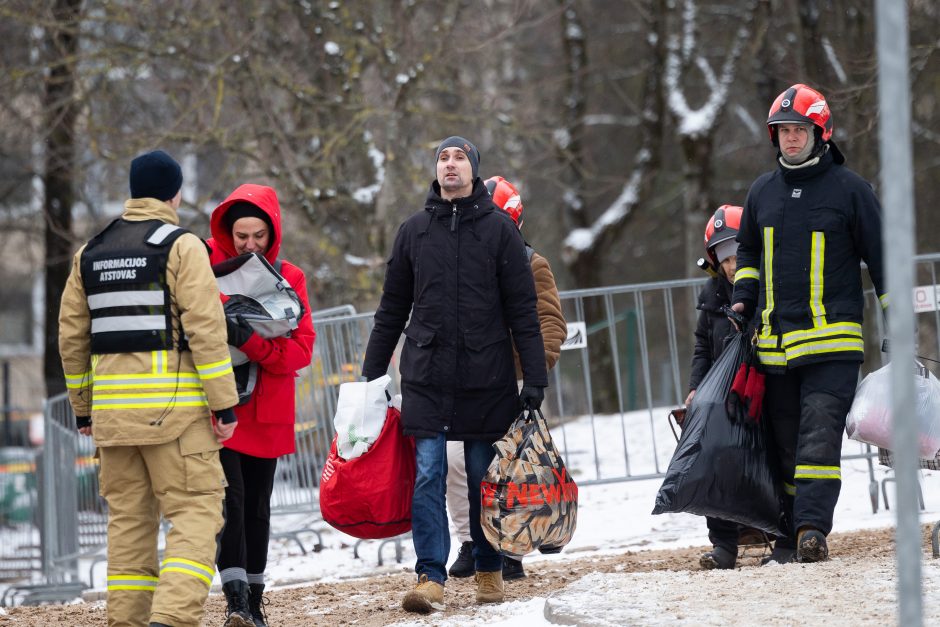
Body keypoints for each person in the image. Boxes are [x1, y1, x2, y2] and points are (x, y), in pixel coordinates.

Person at [361, 136, 548, 613]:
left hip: (487, 377)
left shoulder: (501, 232)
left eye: (459, 157)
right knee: (428, 475)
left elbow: (524, 312)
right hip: (425, 375)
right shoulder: (414, 231)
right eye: (443, 157)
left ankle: (488, 568)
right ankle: (430, 576)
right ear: (435, 170)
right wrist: (371, 376)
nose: (450, 164)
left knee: (484, 478)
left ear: (475, 171)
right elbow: (391, 310)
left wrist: (536, 381)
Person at [58, 150, 239, 627]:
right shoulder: (180, 246)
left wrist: (83, 410)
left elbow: (71, 338)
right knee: (197, 514)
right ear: (175, 194)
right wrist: (224, 404)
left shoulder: (90, 252)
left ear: (133, 190)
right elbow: (206, 330)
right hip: (175, 417)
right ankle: (172, 619)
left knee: (130, 529)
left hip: (114, 422)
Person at [730, 84, 886, 564]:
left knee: (818, 436)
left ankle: (812, 529)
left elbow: (885, 262)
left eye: (799, 130)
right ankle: (786, 532)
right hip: (775, 349)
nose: (790, 139)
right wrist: (742, 299)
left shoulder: (852, 191)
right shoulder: (761, 192)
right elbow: (750, 254)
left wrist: (897, 323)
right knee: (783, 446)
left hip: (833, 345)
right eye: (783, 131)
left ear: (821, 133)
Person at [446, 175, 567, 582]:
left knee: (507, 467)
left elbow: (550, 323)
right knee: (458, 465)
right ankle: (471, 541)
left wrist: (532, 374)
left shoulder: (532, 263)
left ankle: (509, 547)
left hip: (512, 380)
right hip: (469, 380)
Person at [208, 184, 315, 627]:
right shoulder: (204, 269)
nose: (250, 245)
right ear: (226, 235)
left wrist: (251, 342)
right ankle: (235, 602)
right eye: (241, 237)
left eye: (259, 236)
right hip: (220, 408)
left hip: (268, 410)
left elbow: (301, 352)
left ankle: (254, 599)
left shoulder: (291, 276)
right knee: (230, 503)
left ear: (273, 234)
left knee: (258, 506)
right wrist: (268, 346)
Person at [685, 204, 745, 570]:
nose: (732, 261)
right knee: (713, 457)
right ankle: (723, 543)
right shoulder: (712, 296)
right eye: (724, 255)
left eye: (737, 250)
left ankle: (784, 534)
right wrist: (695, 388)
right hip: (724, 395)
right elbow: (703, 347)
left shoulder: (767, 286)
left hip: (764, 387)